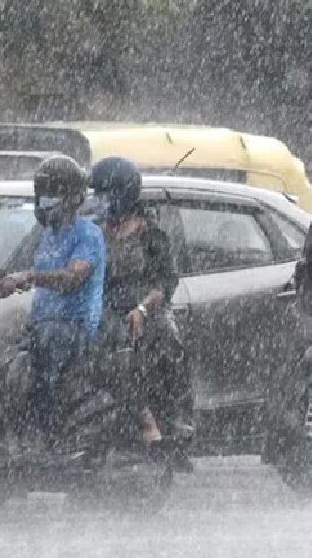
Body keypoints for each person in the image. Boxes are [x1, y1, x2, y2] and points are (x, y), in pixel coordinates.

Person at [88, 157, 193, 471]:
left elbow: (165, 282)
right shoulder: (95, 233)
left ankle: (175, 422)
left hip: (147, 310)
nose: (99, 201)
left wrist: (143, 308)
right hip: (105, 311)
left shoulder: (151, 234)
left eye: (104, 194)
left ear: (122, 194)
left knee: (170, 346)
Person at [0, 155, 106, 444]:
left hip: (73, 325)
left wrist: (31, 276)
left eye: (53, 195)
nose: (46, 202)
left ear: (73, 198)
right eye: (42, 195)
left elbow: (73, 276)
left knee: (43, 374)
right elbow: (21, 269)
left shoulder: (88, 234)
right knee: (2, 368)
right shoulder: (47, 234)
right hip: (42, 324)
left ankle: (47, 434)